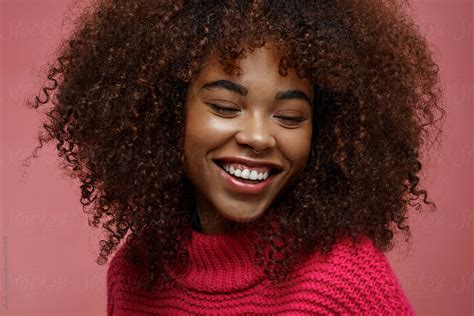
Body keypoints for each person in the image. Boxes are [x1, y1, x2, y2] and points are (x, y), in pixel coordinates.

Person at [24, 0, 446, 314]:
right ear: (167, 113)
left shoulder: (347, 280)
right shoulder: (135, 274)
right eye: (226, 107)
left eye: (290, 115)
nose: (259, 137)